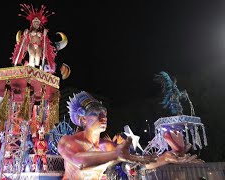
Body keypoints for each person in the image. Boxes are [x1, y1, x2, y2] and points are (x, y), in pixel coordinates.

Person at [58, 91, 201, 180]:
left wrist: (164, 158)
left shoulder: (107, 146)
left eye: (105, 114)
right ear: (83, 119)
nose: (103, 118)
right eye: (96, 114)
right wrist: (116, 154)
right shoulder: (68, 142)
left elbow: (137, 163)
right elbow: (81, 163)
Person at [11, 4, 67, 73]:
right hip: (31, 44)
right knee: (32, 54)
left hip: (39, 46)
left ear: (40, 24)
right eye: (35, 22)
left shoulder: (42, 32)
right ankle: (31, 68)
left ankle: (37, 70)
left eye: (37, 22)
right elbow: (25, 38)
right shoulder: (29, 31)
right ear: (32, 23)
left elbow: (45, 42)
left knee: (37, 56)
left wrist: (44, 34)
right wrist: (26, 34)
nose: (36, 23)